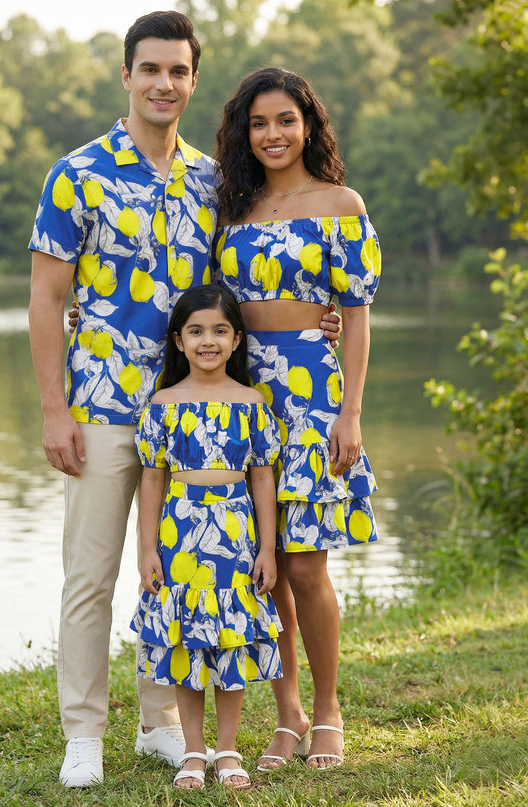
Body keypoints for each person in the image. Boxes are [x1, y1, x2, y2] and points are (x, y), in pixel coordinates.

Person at [37, 10, 340, 788]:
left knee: (171, 569)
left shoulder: (214, 180)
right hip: (103, 400)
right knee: (92, 573)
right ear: (128, 76)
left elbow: (243, 282)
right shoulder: (77, 174)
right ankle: (83, 731)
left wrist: (318, 313)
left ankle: (160, 723)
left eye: (178, 71)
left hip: (194, 412)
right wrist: (51, 408)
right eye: (150, 69)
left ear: (192, 81)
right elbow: (46, 299)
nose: (163, 83)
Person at [211, 66, 381, 771]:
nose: (272, 134)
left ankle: (329, 710)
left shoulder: (341, 202)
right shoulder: (228, 208)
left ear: (307, 124)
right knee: (265, 569)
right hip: (242, 397)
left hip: (311, 392)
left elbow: (360, 315)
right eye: (258, 123)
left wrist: (349, 412)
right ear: (242, 133)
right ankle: (286, 715)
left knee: (305, 566)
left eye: (285, 120)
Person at [130, 284, 282, 790]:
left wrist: (266, 547)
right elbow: (152, 479)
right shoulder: (163, 404)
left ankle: (228, 750)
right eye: (195, 331)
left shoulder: (252, 403)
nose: (208, 341)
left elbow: (263, 476)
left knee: (229, 642)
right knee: (188, 646)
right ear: (178, 340)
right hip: (180, 533)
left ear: (237, 340)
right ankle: (193, 751)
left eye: (219, 330)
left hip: (236, 535)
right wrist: (147, 548)